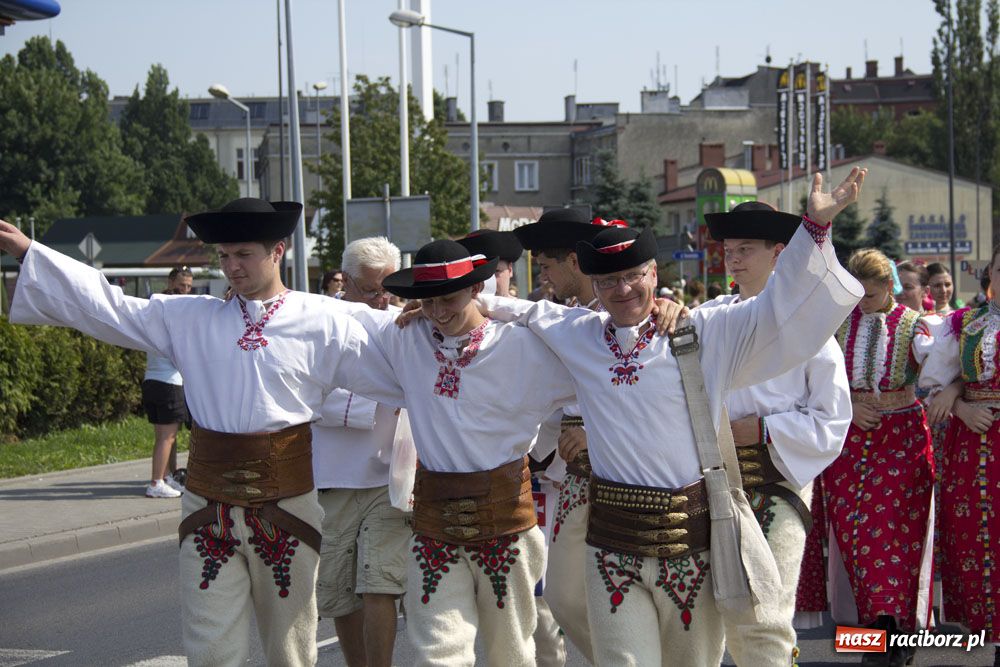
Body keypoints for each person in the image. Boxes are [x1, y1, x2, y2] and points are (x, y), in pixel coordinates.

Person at [478, 169, 867, 665]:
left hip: (714, 521)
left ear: (654, 276)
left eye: (634, 277)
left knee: (759, 624)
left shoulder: (705, 330)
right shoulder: (579, 334)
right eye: (610, 280)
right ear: (594, 285)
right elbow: (520, 314)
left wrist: (813, 227)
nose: (623, 290)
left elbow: (781, 312)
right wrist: (442, 304)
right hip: (614, 540)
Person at [0, 197, 404, 667]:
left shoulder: (325, 319)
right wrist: (31, 251)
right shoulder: (189, 317)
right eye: (224, 256)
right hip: (207, 508)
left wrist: (461, 318)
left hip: (287, 505)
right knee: (210, 649)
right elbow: (108, 306)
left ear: (277, 251)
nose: (231, 267)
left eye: (243, 255)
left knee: (289, 650)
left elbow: (410, 356)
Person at [699, 200, 852, 653]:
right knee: (708, 614)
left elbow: (832, 420)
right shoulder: (713, 319)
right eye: (729, 249)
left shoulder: (812, 331)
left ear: (778, 254)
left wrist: (763, 430)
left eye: (746, 248)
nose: (734, 258)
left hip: (777, 481)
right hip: (714, 485)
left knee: (767, 611)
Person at [511, 208, 621, 663]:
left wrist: (590, 427)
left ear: (575, 262)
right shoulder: (567, 315)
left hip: (627, 477)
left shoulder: (619, 313)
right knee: (563, 595)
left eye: (549, 266)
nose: (546, 278)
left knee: (618, 596)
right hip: (569, 477)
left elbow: (640, 390)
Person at [823, 247, 936, 666]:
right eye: (856, 295)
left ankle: (894, 638)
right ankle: (872, 639)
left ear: (889, 287)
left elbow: (941, 375)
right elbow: (819, 383)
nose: (861, 303)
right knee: (853, 539)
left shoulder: (913, 325)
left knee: (896, 539)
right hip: (851, 444)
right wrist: (850, 407)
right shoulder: (837, 327)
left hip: (902, 441)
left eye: (868, 296)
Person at [312, 237, 410, 667]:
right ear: (346, 281)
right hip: (333, 477)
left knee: (380, 583)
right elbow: (304, 393)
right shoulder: (316, 320)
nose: (381, 298)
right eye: (371, 289)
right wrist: (372, 403)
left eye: (389, 288)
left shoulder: (403, 322)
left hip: (391, 477)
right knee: (339, 590)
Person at [919, 243, 1000, 666]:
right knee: (979, 535)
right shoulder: (965, 323)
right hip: (974, 443)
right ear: (990, 274)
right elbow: (937, 382)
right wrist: (961, 403)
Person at [142, 265, 194, 499]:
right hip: (169, 383)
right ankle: (156, 482)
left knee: (167, 436)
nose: (185, 291)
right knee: (167, 437)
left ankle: (168, 476)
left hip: (152, 380)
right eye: (182, 286)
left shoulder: (154, 319)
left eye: (188, 287)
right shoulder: (173, 325)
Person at [458, 229, 523, 297]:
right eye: (478, 273)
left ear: (510, 270)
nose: (488, 282)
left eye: (495, 271)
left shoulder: (526, 307)